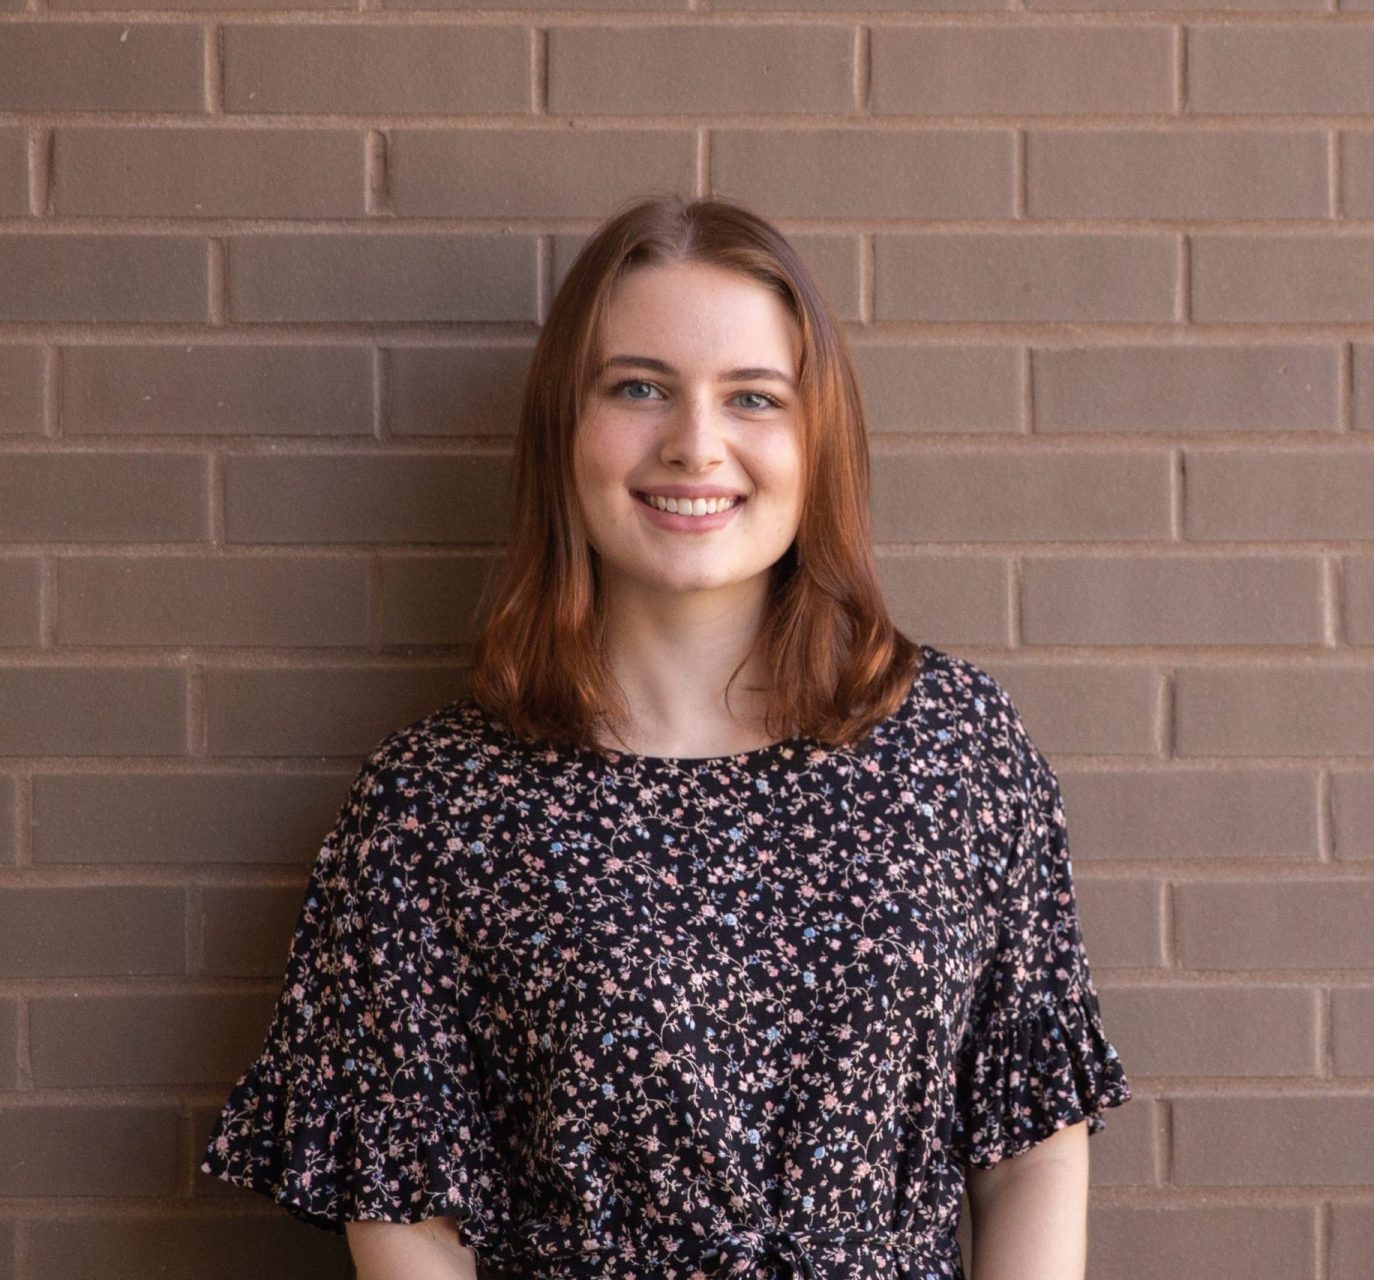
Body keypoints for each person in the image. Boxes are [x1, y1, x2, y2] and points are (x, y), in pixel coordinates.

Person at [199, 192, 1133, 1280]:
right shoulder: (438, 806)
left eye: (753, 397)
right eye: (640, 387)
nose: (696, 444)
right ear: (567, 426)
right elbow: (407, 1223)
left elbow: (1028, 1150)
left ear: (816, 438)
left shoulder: (956, 751)